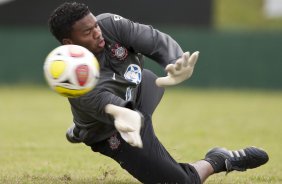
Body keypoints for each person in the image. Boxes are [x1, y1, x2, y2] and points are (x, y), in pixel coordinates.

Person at [48, 2, 269, 183]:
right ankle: (219, 159)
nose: (97, 32)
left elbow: (152, 39)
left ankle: (80, 127)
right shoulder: (75, 82)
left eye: (95, 25)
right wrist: (128, 116)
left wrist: (175, 60)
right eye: (88, 32)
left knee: (149, 82)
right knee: (181, 182)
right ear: (69, 42)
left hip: (143, 88)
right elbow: (112, 106)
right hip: (114, 129)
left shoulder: (108, 25)